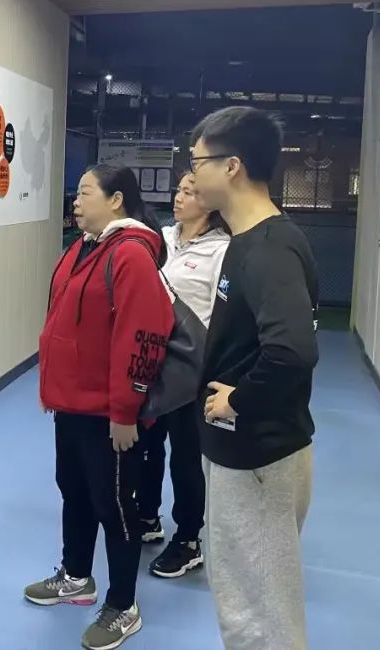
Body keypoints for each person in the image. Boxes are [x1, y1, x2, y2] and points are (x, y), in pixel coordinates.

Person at [25, 164, 174, 650]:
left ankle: (123, 604)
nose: (75, 200)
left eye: (85, 192)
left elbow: (142, 336)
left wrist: (125, 411)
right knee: (74, 491)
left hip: (109, 415)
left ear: (116, 200)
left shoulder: (130, 254)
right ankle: (76, 576)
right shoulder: (83, 247)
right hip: (71, 405)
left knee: (116, 507)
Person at [187, 106, 319, 650]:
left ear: (232, 166)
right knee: (244, 598)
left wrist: (238, 400)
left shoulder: (269, 248)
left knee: (261, 615)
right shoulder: (248, 241)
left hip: (258, 454)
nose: (191, 174)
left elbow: (292, 351)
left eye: (197, 162)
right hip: (241, 453)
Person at [138, 171, 230, 580]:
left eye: (190, 192)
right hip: (152, 358)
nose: (179, 197)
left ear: (208, 202)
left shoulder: (222, 250)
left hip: (192, 367)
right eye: (179, 190)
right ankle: (147, 516)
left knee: (186, 455)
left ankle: (189, 538)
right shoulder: (161, 239)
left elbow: (222, 314)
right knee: (146, 444)